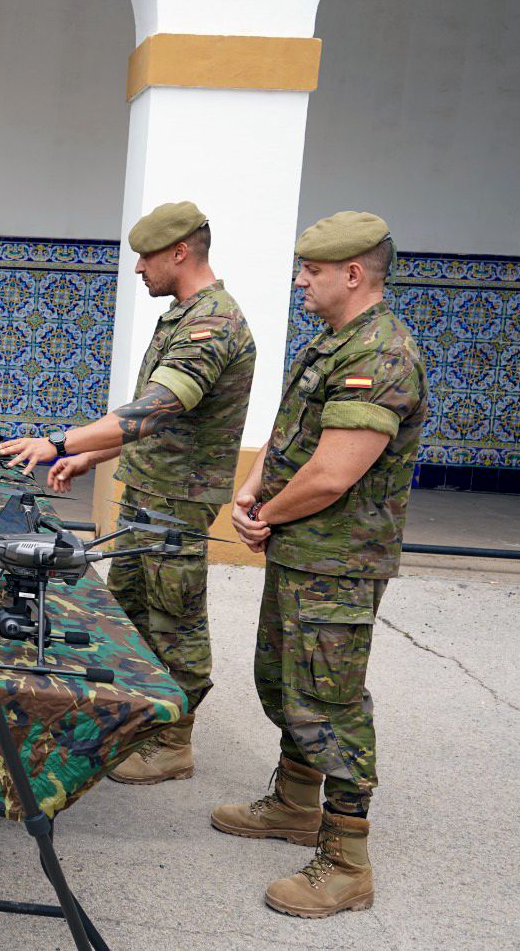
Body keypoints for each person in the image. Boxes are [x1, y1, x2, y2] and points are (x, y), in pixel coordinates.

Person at [0, 201, 255, 784]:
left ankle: (174, 741)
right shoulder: (184, 315)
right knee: (133, 616)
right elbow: (158, 423)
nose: (138, 268)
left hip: (177, 500)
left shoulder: (213, 324)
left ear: (180, 252)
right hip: (150, 489)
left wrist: (59, 443)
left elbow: (154, 408)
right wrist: (91, 456)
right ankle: (138, 723)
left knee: (177, 620)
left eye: (145, 256)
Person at [215, 212, 426, 919]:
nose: (300, 280)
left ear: (353, 274)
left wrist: (265, 514)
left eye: (311, 270)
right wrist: (253, 489)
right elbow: (293, 434)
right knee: (284, 682)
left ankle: (346, 863)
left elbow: (334, 474)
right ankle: (295, 806)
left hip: (337, 564)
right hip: (304, 554)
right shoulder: (334, 344)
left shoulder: (382, 356)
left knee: (329, 705)